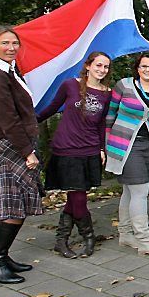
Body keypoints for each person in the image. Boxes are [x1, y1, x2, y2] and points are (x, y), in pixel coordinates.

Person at [0, 26, 43, 284]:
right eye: (5, 43)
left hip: (13, 143)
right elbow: (6, 118)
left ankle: (1, 256)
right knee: (12, 205)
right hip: (9, 146)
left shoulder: (6, 69)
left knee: (13, 204)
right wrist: (28, 151)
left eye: (15, 43)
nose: (12, 47)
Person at [37, 51, 112, 259]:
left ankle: (61, 240)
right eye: (98, 65)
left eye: (105, 67)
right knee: (77, 196)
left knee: (76, 195)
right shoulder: (70, 85)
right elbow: (52, 108)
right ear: (88, 66)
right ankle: (89, 237)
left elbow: (101, 125)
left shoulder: (107, 93)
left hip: (89, 149)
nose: (102, 70)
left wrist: (101, 149)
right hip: (67, 148)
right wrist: (30, 119)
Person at [104, 52, 149, 255]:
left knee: (129, 191)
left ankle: (125, 234)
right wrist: (106, 145)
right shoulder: (124, 85)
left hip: (147, 145)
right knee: (140, 191)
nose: (147, 70)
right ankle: (145, 240)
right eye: (143, 66)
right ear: (137, 68)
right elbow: (110, 115)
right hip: (123, 144)